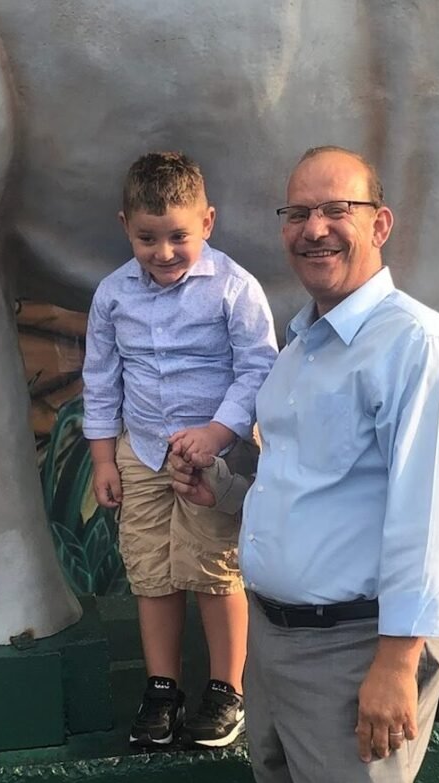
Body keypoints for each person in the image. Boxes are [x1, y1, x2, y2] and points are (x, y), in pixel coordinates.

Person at [170, 146, 439, 783]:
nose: (314, 229)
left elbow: (430, 519)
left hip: (359, 652)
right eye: (298, 213)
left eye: (335, 210)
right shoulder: (303, 343)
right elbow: (305, 486)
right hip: (278, 648)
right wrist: (225, 492)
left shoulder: (417, 349)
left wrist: (397, 663)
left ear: (379, 223)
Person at [82, 151, 278, 749]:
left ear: (207, 223)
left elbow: (259, 368)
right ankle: (162, 688)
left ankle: (227, 689)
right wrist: (102, 458)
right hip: (140, 452)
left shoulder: (234, 288)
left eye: (178, 237)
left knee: (213, 568)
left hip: (211, 460)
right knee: (152, 571)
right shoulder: (113, 295)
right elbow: (100, 379)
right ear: (126, 227)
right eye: (147, 238)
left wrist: (217, 432)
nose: (163, 252)